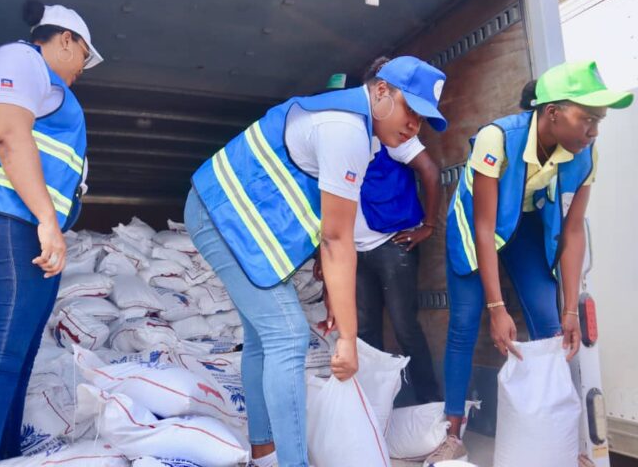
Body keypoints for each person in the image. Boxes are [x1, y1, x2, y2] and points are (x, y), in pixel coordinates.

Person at [185, 56, 448, 467]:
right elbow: (337, 238)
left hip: (230, 218)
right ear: (382, 91)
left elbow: (331, 230)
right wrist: (348, 337)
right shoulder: (346, 129)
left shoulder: (364, 130)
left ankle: (264, 451)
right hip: (221, 214)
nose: (415, 125)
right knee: (288, 336)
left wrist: (337, 303)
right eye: (410, 110)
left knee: (264, 338)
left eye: (423, 119)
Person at [425, 60, 633, 464]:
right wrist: (496, 306)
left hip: (522, 225)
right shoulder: (497, 138)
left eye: (599, 121)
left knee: (552, 327)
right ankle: (453, 432)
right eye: (587, 119)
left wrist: (570, 309)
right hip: (476, 226)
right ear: (552, 112)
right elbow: (485, 227)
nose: (593, 131)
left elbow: (573, 231)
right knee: (464, 325)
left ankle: (561, 440)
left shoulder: (585, 154)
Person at [0, 0, 102, 466]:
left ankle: (5, 457)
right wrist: (48, 220)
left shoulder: (46, 84)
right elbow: (9, 134)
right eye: (83, 55)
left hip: (19, 222)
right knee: (0, 356)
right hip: (2, 216)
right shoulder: (20, 59)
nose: (82, 68)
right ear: (65, 40)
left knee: (18, 356)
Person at [316, 57, 443, 404]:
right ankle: (374, 406)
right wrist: (321, 256)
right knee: (364, 330)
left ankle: (429, 403)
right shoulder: (340, 137)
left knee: (404, 327)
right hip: (352, 252)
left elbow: (431, 173)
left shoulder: (392, 134)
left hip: (390, 244)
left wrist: (428, 226)